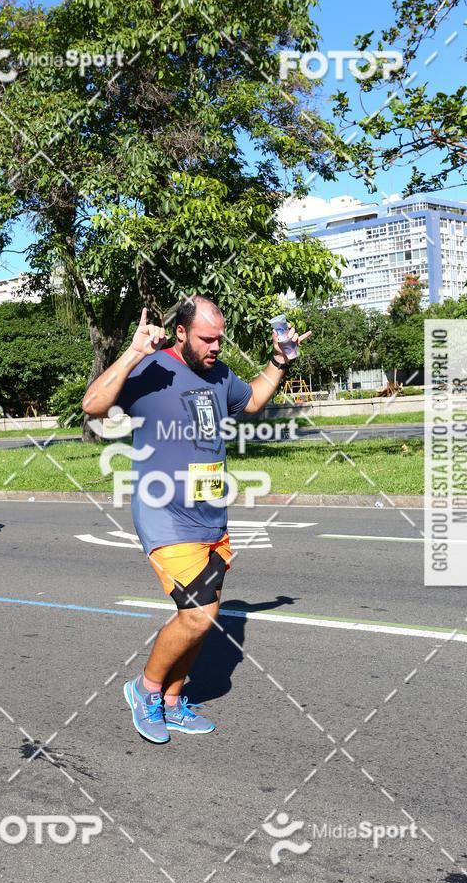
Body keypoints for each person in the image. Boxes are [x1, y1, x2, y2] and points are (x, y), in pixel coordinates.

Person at [83, 296, 311, 743]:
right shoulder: (151, 367)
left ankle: (171, 700)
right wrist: (132, 352)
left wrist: (278, 362)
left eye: (220, 339)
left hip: (211, 517)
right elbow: (92, 405)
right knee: (200, 615)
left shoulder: (220, 375)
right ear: (182, 333)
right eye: (207, 339)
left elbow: (253, 402)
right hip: (164, 514)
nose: (216, 347)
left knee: (203, 616)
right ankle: (145, 691)